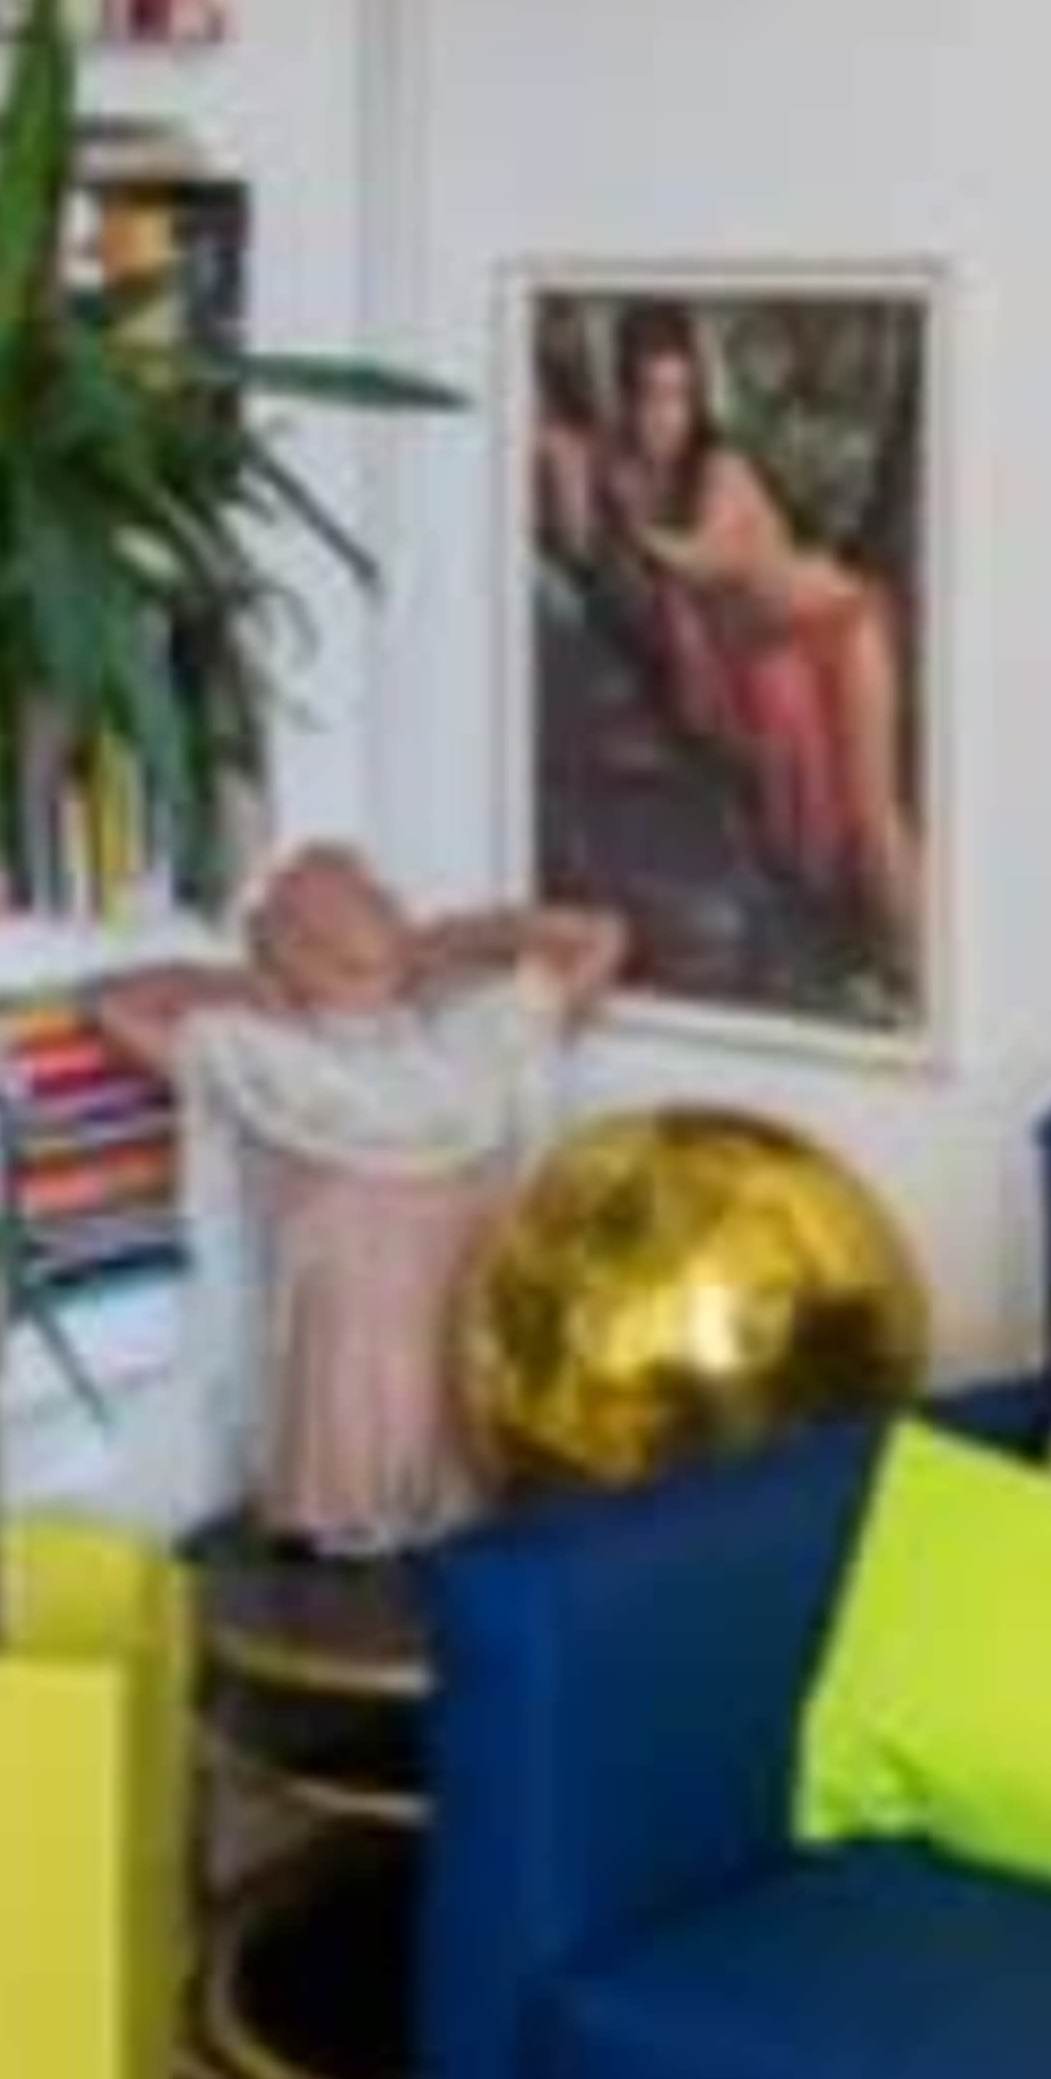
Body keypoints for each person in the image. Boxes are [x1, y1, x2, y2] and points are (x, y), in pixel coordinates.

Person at [90, 843, 625, 1555]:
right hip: (344, 1349)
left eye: (377, 886)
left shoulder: (465, 1037)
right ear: (303, 933)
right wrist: (249, 982)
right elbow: (113, 1007)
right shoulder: (267, 1058)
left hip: (457, 1341)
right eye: (355, 890)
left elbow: (599, 938)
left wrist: (450, 940)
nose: (382, 896)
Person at [598, 302, 922, 986]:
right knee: (822, 849)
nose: (667, 417)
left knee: (874, 825)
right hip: (780, 659)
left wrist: (638, 533)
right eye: (652, 395)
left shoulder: (722, 469)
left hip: (841, 628)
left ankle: (922, 970)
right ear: (625, 397)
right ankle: (878, 967)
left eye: (681, 396)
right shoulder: (627, 477)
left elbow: (709, 559)